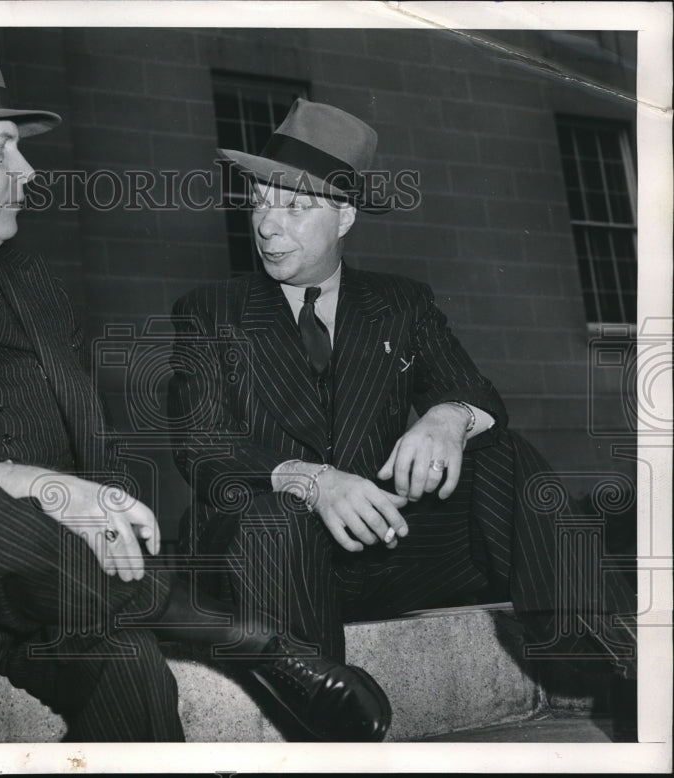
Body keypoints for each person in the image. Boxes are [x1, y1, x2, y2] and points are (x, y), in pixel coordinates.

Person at [0, 38, 391, 743]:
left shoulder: (33, 287)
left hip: (62, 591)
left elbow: (91, 451)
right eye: (2, 149)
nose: (27, 173)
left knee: (135, 674)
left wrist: (112, 504)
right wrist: (26, 482)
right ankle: (257, 646)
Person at [168, 99, 637, 733]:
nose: (268, 227)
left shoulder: (399, 303)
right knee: (272, 518)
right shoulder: (210, 311)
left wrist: (447, 417)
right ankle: (331, 725)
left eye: (295, 208)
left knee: (503, 454)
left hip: (385, 554)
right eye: (259, 204)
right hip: (264, 557)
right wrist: (311, 480)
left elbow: (481, 397)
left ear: (345, 217)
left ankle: (624, 664)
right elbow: (200, 446)